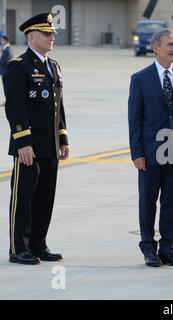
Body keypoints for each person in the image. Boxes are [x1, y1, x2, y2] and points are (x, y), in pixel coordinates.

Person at [128, 28, 173, 268]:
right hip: (149, 152)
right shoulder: (140, 78)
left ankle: (168, 247)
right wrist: (137, 153)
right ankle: (148, 248)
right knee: (147, 202)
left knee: (172, 202)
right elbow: (134, 119)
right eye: (170, 45)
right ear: (156, 48)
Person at [4, 13, 70, 265]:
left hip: (50, 144)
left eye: (52, 33)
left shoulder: (54, 66)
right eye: (47, 34)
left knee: (45, 198)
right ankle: (18, 247)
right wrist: (23, 142)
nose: (52, 37)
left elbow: (58, 106)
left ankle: (38, 244)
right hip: (28, 146)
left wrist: (63, 138)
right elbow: (15, 107)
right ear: (32, 37)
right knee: (23, 198)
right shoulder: (18, 66)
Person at [1, 35, 13, 106]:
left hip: (5, 71)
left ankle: (8, 101)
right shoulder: (8, 48)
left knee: (6, 87)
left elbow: (4, 61)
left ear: (5, 40)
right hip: (5, 71)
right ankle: (7, 101)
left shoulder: (7, 50)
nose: (1, 41)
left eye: (2, 40)